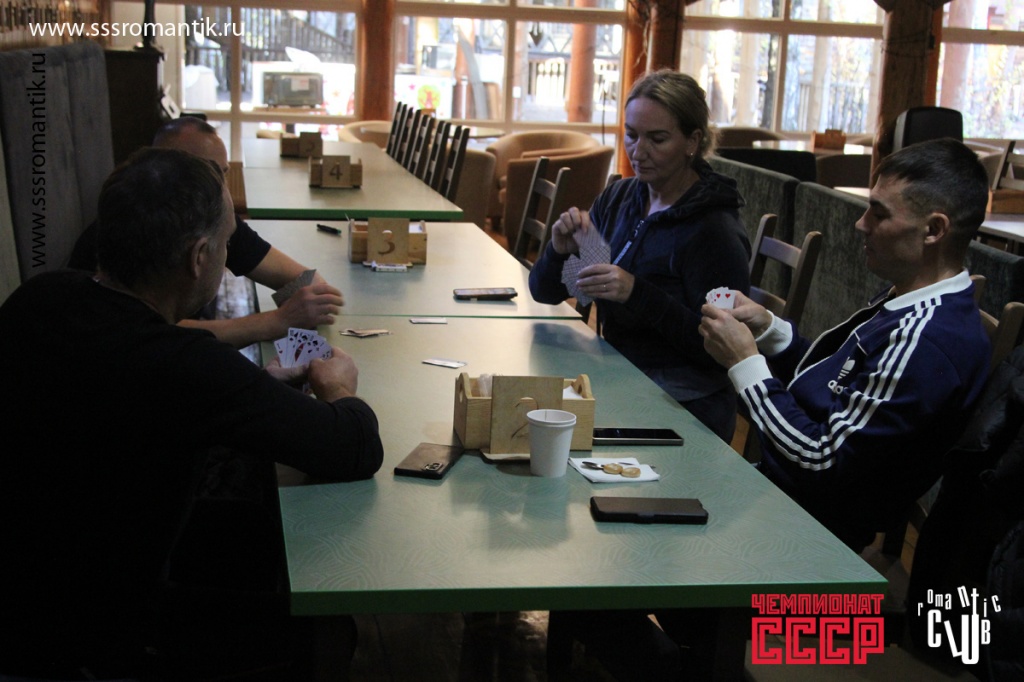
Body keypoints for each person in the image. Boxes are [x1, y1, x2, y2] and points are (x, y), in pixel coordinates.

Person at [0, 148, 383, 680]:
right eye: (226, 244)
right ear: (200, 256)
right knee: (328, 629)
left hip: (26, 585)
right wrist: (338, 387)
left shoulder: (38, 298)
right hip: (90, 634)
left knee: (257, 531)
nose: (228, 257)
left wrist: (256, 387)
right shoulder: (182, 365)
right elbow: (353, 446)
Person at [699, 137, 992, 552]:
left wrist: (745, 364)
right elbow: (836, 385)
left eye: (879, 213)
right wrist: (770, 331)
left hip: (813, 539)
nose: (861, 224)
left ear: (934, 230)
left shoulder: (924, 340)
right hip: (787, 503)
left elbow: (821, 462)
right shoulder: (913, 299)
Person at [529, 69, 750, 441]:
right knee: (529, 415)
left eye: (657, 139)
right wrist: (558, 252)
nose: (638, 151)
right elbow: (547, 292)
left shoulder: (714, 230)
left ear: (693, 141)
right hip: (620, 374)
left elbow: (720, 350)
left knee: (550, 437)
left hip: (686, 405)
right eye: (631, 135)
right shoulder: (621, 198)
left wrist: (636, 292)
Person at [67, 116, 345, 348]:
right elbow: (150, 332)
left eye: (222, 173)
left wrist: (298, 347)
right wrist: (275, 322)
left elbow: (307, 283)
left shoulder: (211, 218)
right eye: (208, 172)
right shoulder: (124, 233)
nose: (221, 188)